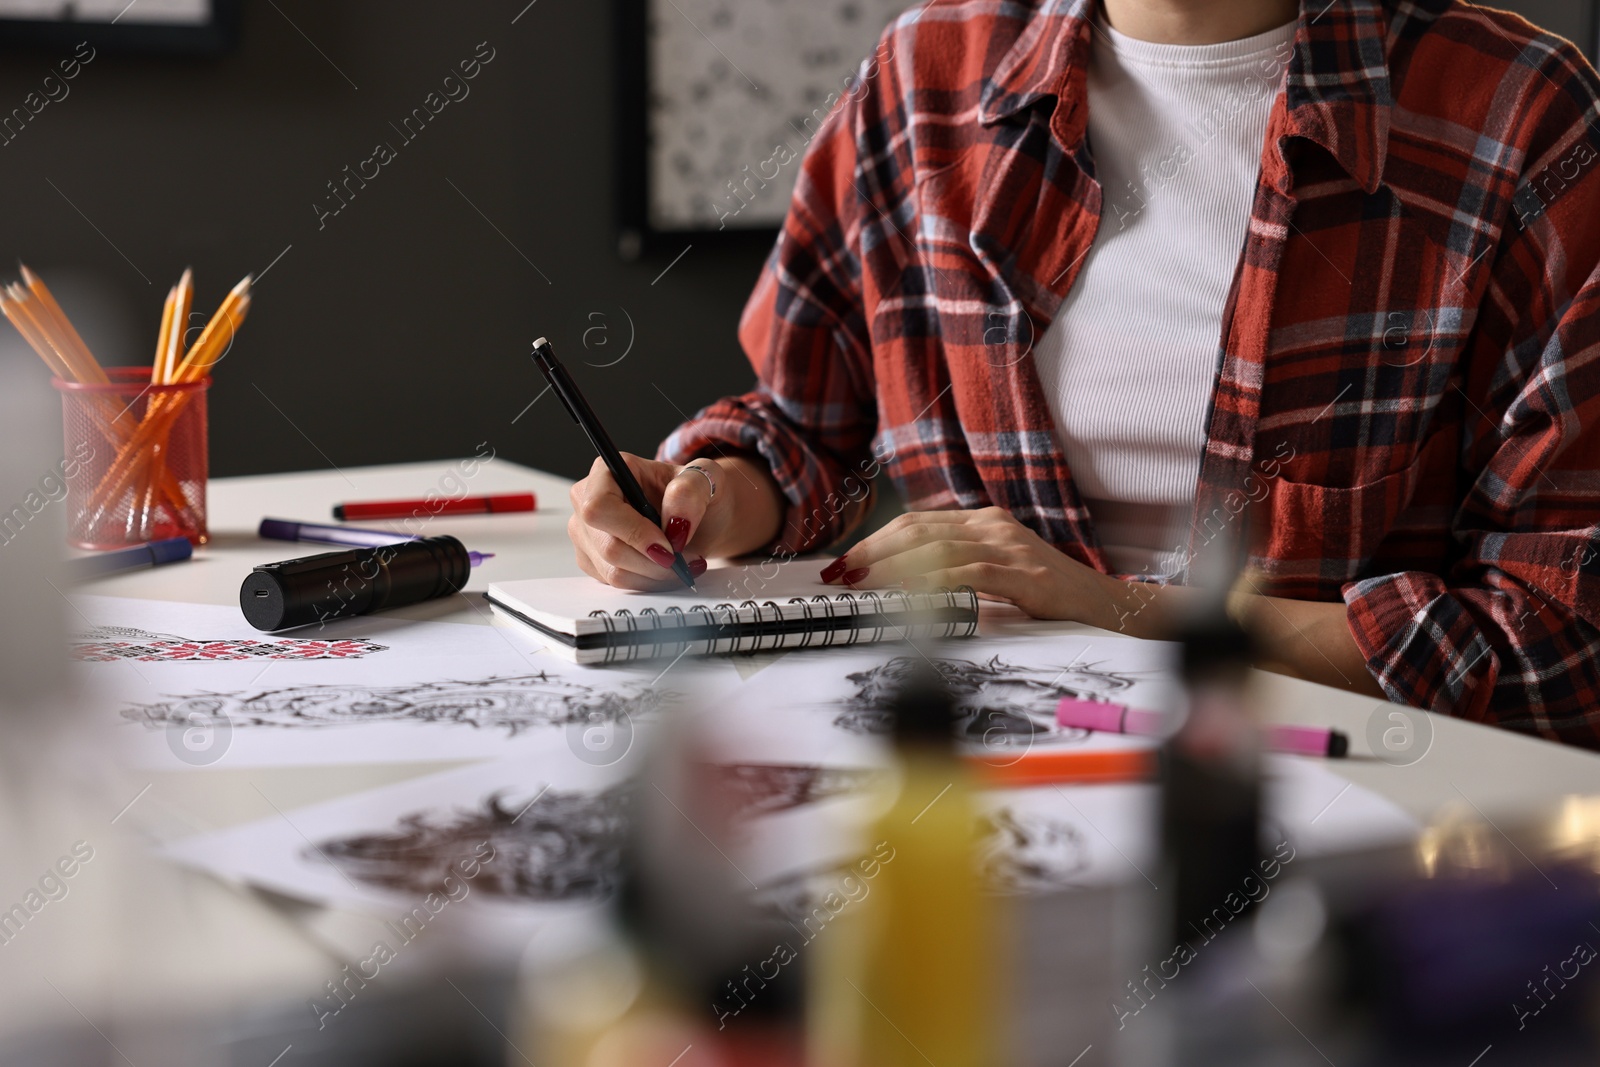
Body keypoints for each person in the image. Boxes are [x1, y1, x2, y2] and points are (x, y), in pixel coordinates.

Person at [569, 0, 1600, 748]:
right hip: (978, 763)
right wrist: (710, 493)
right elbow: (806, 428)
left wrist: (1109, 607)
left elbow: (1563, 637)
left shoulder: (1518, 116)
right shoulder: (921, 79)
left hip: (1344, 794)